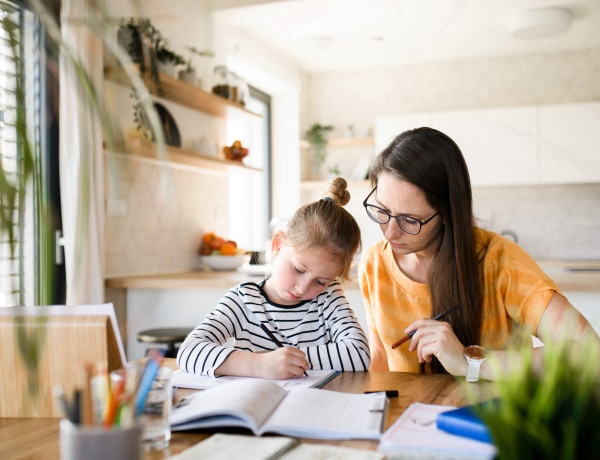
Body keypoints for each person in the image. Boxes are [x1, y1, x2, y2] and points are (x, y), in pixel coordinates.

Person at [358, 126, 600, 380]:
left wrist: (470, 362)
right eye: (382, 211)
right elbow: (381, 360)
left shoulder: (501, 261)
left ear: (447, 213)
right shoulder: (374, 262)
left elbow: (589, 354)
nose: (390, 232)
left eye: (410, 220)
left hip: (490, 417)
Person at [177, 177, 370, 379]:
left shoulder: (328, 298)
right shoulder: (243, 300)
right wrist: (259, 364)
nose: (303, 288)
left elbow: (360, 354)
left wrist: (286, 360)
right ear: (278, 244)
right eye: (298, 269)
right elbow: (189, 351)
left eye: (321, 281)